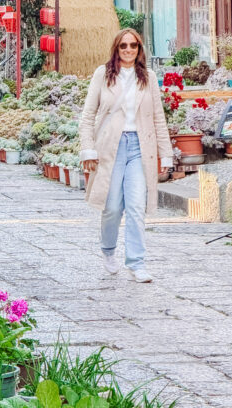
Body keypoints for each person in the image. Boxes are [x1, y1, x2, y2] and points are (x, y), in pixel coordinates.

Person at [79, 28, 173, 283]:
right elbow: (88, 116)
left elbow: (158, 118)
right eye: (124, 46)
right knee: (111, 207)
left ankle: (137, 262)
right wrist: (88, 149)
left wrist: (166, 156)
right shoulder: (104, 74)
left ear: (140, 49)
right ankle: (108, 250)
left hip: (140, 147)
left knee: (135, 206)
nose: (129, 50)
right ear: (116, 49)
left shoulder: (148, 78)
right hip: (110, 146)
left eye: (133, 45)